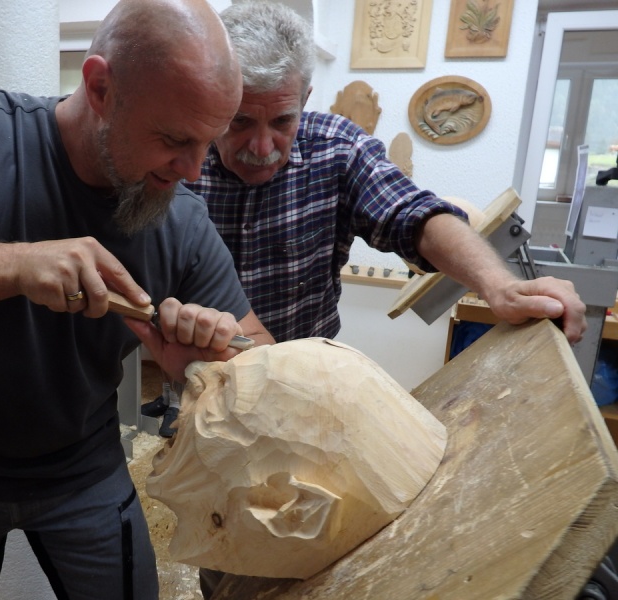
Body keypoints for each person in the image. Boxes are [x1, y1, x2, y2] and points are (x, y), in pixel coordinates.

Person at [0, 0, 275, 598]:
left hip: (83, 472)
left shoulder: (180, 218)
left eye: (207, 144)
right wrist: (15, 264)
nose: (192, 171)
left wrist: (205, 368)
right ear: (101, 87)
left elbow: (259, 354)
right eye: (173, 139)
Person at [186, 1, 587, 596]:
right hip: (207, 397)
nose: (262, 145)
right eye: (240, 121)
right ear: (214, 99)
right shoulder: (180, 157)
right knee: (227, 550)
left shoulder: (338, 148)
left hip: (312, 402)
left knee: (312, 552)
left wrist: (499, 285)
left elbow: (415, 215)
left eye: (283, 121)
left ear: (306, 98)